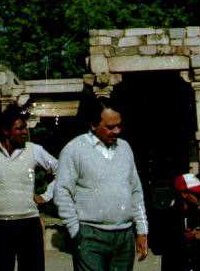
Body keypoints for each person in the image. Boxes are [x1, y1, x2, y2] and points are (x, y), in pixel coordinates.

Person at [54, 98, 149, 270]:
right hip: (90, 236)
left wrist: (142, 230)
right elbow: (62, 192)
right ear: (93, 125)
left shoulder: (125, 148)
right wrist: (75, 230)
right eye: (110, 127)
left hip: (124, 237)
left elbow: (136, 191)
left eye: (119, 126)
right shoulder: (74, 149)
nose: (117, 131)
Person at [0, 104, 58, 271]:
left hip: (28, 224)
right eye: (19, 128)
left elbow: (63, 170)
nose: (24, 132)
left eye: (25, 127)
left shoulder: (34, 150)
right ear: (6, 130)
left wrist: (46, 196)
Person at [159, 174, 200, 271]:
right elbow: (158, 247)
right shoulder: (167, 217)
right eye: (197, 193)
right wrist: (180, 237)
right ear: (184, 193)